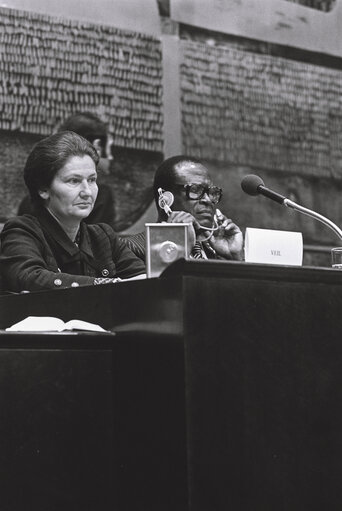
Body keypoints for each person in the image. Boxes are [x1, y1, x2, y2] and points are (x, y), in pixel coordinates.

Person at [0, 131, 145, 293]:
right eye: (74, 181)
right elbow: (30, 278)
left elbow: (145, 280)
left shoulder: (103, 236)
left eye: (92, 180)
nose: (87, 192)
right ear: (43, 188)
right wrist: (109, 284)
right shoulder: (21, 231)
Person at [124, 155, 243, 261]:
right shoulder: (132, 248)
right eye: (195, 190)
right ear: (165, 199)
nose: (207, 200)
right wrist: (177, 250)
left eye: (211, 192)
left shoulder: (216, 251)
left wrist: (233, 258)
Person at [17, 112, 115, 226]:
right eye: (73, 181)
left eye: (92, 180)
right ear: (96, 146)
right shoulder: (101, 198)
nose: (111, 157)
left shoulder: (28, 202)